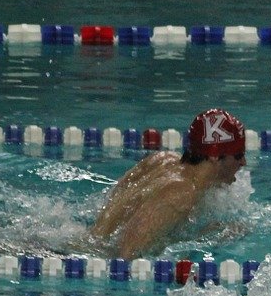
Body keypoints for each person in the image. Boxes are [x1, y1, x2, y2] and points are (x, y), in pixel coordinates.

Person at [89, 108, 248, 260]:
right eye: (238, 155)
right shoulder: (182, 193)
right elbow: (125, 255)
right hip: (93, 259)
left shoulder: (164, 159)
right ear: (214, 156)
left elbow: (110, 219)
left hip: (85, 242)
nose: (243, 162)